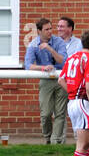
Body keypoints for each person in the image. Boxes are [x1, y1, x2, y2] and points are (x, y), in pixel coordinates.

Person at [25, 17, 69, 145]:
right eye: (46, 29)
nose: (50, 31)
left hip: (61, 78)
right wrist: (43, 68)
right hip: (46, 80)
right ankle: (48, 138)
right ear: (39, 31)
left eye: (51, 28)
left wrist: (49, 49)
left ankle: (56, 141)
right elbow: (28, 65)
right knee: (46, 113)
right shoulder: (33, 44)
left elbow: (62, 60)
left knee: (60, 112)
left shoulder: (59, 41)